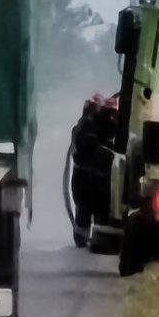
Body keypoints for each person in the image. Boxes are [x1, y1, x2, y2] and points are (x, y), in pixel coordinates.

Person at [66, 93, 118, 246]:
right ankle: (84, 238)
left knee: (99, 210)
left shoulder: (109, 127)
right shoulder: (87, 126)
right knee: (85, 209)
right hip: (86, 177)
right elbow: (83, 147)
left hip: (99, 178)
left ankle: (95, 237)